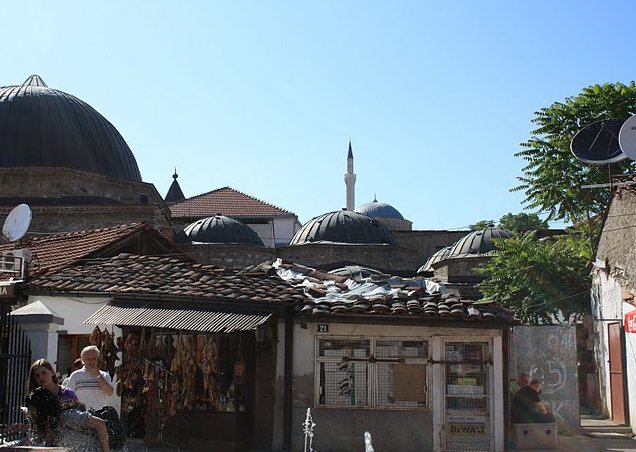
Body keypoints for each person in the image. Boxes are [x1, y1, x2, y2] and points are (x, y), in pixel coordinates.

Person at [26, 386, 109, 452]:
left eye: (32, 409)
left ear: (41, 407)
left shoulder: (65, 416)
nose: (31, 412)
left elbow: (100, 423)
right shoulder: (52, 422)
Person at [66, 346, 114, 410]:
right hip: (81, 415)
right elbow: (68, 396)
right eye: (88, 359)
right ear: (83, 360)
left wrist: (98, 376)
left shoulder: (104, 375)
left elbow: (109, 393)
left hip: (100, 414)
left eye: (94, 358)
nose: (91, 361)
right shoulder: (75, 375)